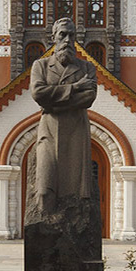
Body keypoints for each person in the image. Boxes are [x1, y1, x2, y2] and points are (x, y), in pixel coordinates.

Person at [27, 17, 98, 221]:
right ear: (54, 38)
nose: (67, 40)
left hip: (76, 131)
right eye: (63, 35)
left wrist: (51, 103)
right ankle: (47, 227)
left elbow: (89, 97)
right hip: (48, 130)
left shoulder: (87, 68)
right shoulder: (40, 65)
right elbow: (38, 93)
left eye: (71, 35)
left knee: (76, 194)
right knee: (43, 189)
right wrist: (75, 88)